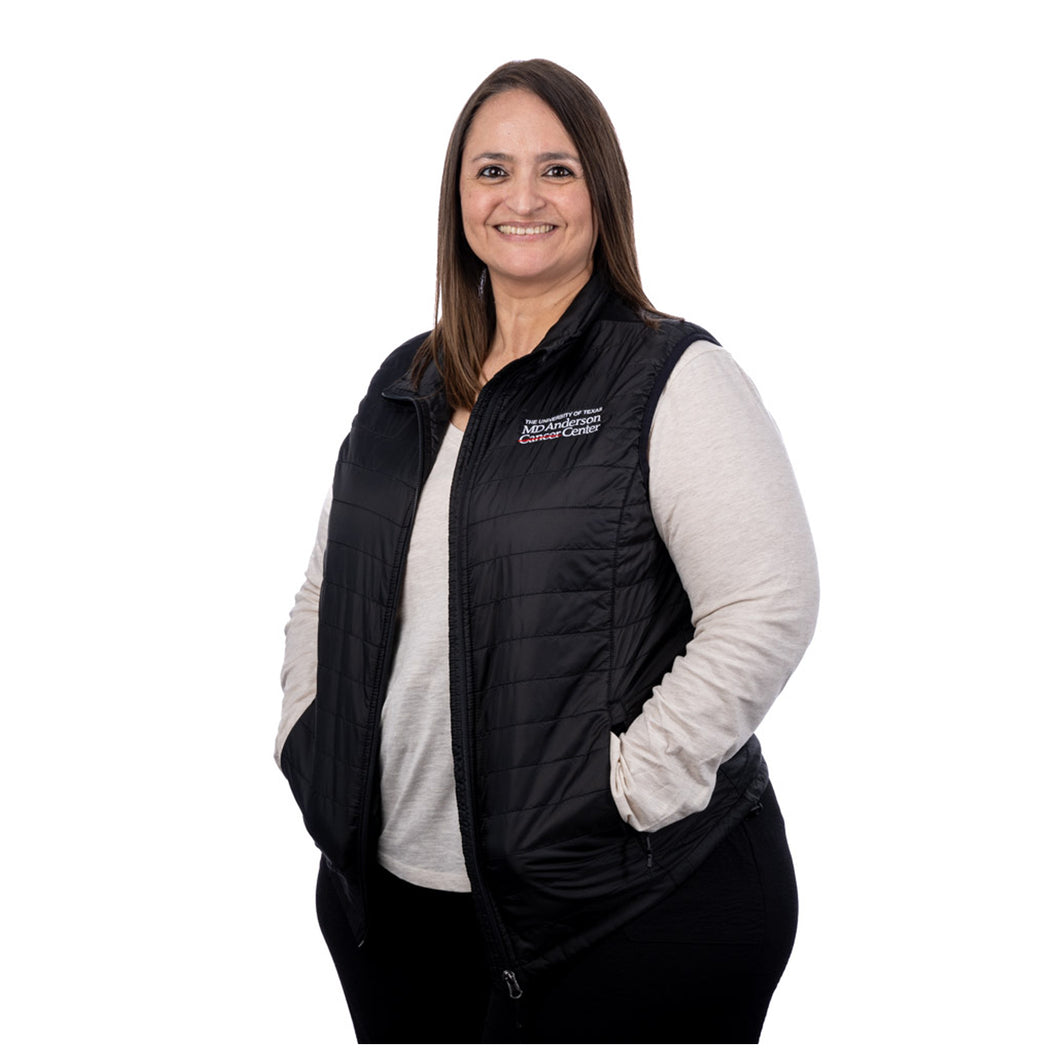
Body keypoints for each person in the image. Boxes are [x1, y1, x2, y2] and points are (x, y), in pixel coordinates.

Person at [277, 58, 819, 1044]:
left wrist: (630, 785)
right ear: (457, 197)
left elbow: (767, 603)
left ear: (600, 193)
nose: (521, 197)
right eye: (491, 171)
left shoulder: (668, 376)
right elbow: (329, 585)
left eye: (556, 170)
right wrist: (308, 733)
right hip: (399, 908)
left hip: (626, 911)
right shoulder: (406, 383)